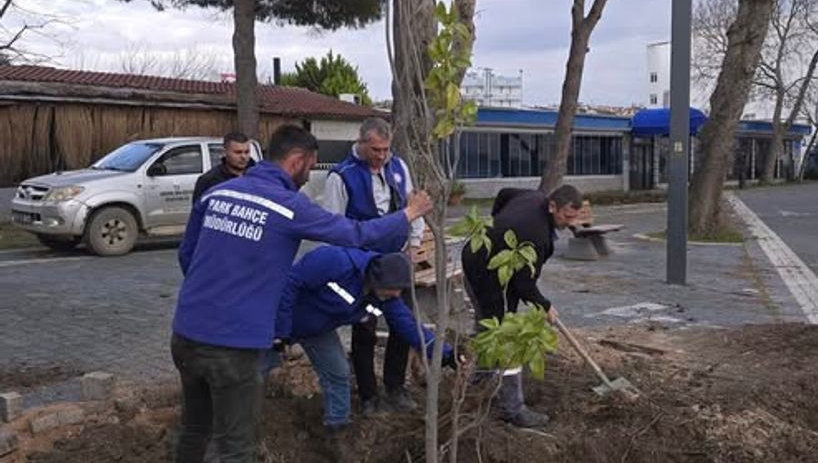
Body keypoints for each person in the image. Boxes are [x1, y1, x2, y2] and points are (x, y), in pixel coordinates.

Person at [170, 123, 433, 463]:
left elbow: (187, 255)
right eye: (310, 167)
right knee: (237, 448)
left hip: (186, 333)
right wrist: (409, 214)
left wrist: (215, 295)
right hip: (232, 345)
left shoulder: (216, 194)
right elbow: (355, 232)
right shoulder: (288, 206)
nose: (309, 177)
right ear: (296, 160)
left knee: (195, 430)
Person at [275, 247, 458, 435]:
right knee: (256, 370)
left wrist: (446, 353)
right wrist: (280, 332)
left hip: (317, 331)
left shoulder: (384, 297)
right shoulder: (334, 261)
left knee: (338, 372)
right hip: (274, 321)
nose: (396, 295)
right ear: (379, 279)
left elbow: (409, 325)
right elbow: (290, 284)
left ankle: (337, 429)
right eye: (394, 289)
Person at [323, 117, 425, 414]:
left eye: (386, 149)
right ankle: (368, 395)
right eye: (376, 149)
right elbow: (334, 227)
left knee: (402, 326)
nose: (382, 156)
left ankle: (396, 387)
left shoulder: (399, 167)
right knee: (365, 328)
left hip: (396, 264)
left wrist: (414, 246)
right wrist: (346, 269)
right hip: (361, 268)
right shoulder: (340, 177)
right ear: (361, 142)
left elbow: (412, 207)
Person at [461, 185, 583, 428]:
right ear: (552, 206)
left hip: (477, 258)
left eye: (574, 217)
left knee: (489, 329)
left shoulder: (534, 196)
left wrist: (498, 226)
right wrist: (545, 305)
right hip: (486, 274)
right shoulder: (536, 236)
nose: (571, 223)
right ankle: (513, 408)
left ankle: (480, 384)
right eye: (567, 216)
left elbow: (504, 193)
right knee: (508, 340)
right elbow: (524, 284)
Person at [192, 131, 254, 203]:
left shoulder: (259, 176)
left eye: (247, 152)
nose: (243, 156)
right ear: (224, 152)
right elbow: (199, 210)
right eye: (238, 152)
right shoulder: (208, 181)